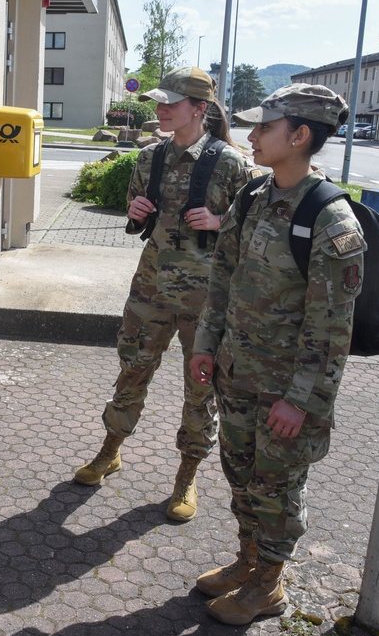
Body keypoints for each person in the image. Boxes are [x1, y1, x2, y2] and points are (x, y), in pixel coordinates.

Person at [189, 84, 362, 625]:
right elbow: (224, 278)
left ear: (300, 135)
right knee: (241, 476)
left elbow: (331, 329)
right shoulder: (255, 196)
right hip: (238, 374)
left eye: (263, 127)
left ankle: (268, 586)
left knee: (277, 488)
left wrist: (300, 402)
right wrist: (206, 345)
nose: (251, 137)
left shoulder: (331, 220)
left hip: (285, 393)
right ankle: (249, 562)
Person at [73, 66, 258, 524]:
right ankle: (109, 452)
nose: (160, 110)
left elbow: (256, 234)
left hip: (208, 301)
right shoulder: (148, 157)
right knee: (131, 371)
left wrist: (222, 223)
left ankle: (186, 477)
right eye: (159, 102)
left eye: (171, 103)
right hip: (151, 289)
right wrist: (134, 213)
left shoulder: (232, 164)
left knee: (200, 391)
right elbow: (140, 217)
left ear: (199, 109)